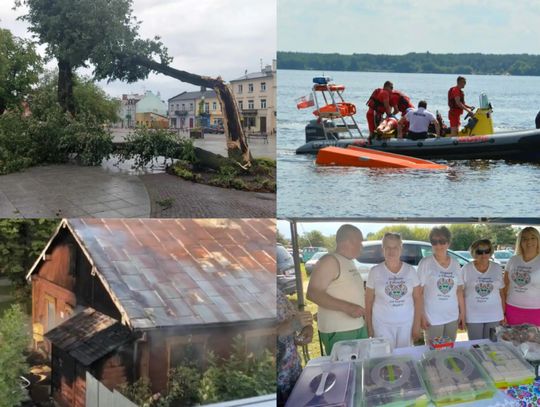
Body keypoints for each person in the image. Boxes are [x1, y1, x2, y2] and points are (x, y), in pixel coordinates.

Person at [306, 224, 366, 355]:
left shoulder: (348, 261)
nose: (361, 247)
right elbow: (313, 293)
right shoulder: (329, 260)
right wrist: (348, 308)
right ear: (348, 241)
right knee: (344, 372)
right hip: (340, 331)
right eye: (360, 242)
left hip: (356, 326)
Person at [365, 233, 422, 348]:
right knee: (384, 359)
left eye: (395, 247)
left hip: (406, 324)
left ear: (401, 249)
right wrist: (369, 327)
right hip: (381, 325)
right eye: (388, 248)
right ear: (383, 249)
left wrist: (417, 325)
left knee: (404, 358)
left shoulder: (410, 271)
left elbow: (418, 298)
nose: (392, 251)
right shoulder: (374, 271)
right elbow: (368, 302)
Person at [418, 226, 465, 342]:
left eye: (442, 241)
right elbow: (419, 293)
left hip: (452, 317)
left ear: (448, 243)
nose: (438, 246)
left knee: (449, 351)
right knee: (433, 355)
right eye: (434, 242)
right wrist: (421, 315)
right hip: (432, 318)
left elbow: (459, 291)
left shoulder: (455, 263)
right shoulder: (425, 263)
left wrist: (462, 313)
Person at [462, 239, 505, 340]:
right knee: (475, 345)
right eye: (480, 252)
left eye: (487, 251)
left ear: (491, 251)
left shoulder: (497, 268)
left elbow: (502, 293)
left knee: (491, 347)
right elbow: (460, 293)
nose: (484, 254)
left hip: (494, 315)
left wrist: (503, 314)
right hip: (473, 316)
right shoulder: (466, 269)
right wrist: (462, 314)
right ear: (474, 253)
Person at [277, 289, 313, 406]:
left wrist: (306, 328)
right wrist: (294, 324)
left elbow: (293, 318)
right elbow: (254, 336)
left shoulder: (277, 292)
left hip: (294, 373)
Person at [504, 227, 540, 326]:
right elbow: (505, 286)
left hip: (536, 311)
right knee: (511, 340)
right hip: (512, 309)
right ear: (520, 242)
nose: (529, 242)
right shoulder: (513, 260)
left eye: (533, 238)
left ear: (538, 240)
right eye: (525, 239)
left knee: (534, 341)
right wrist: (503, 311)